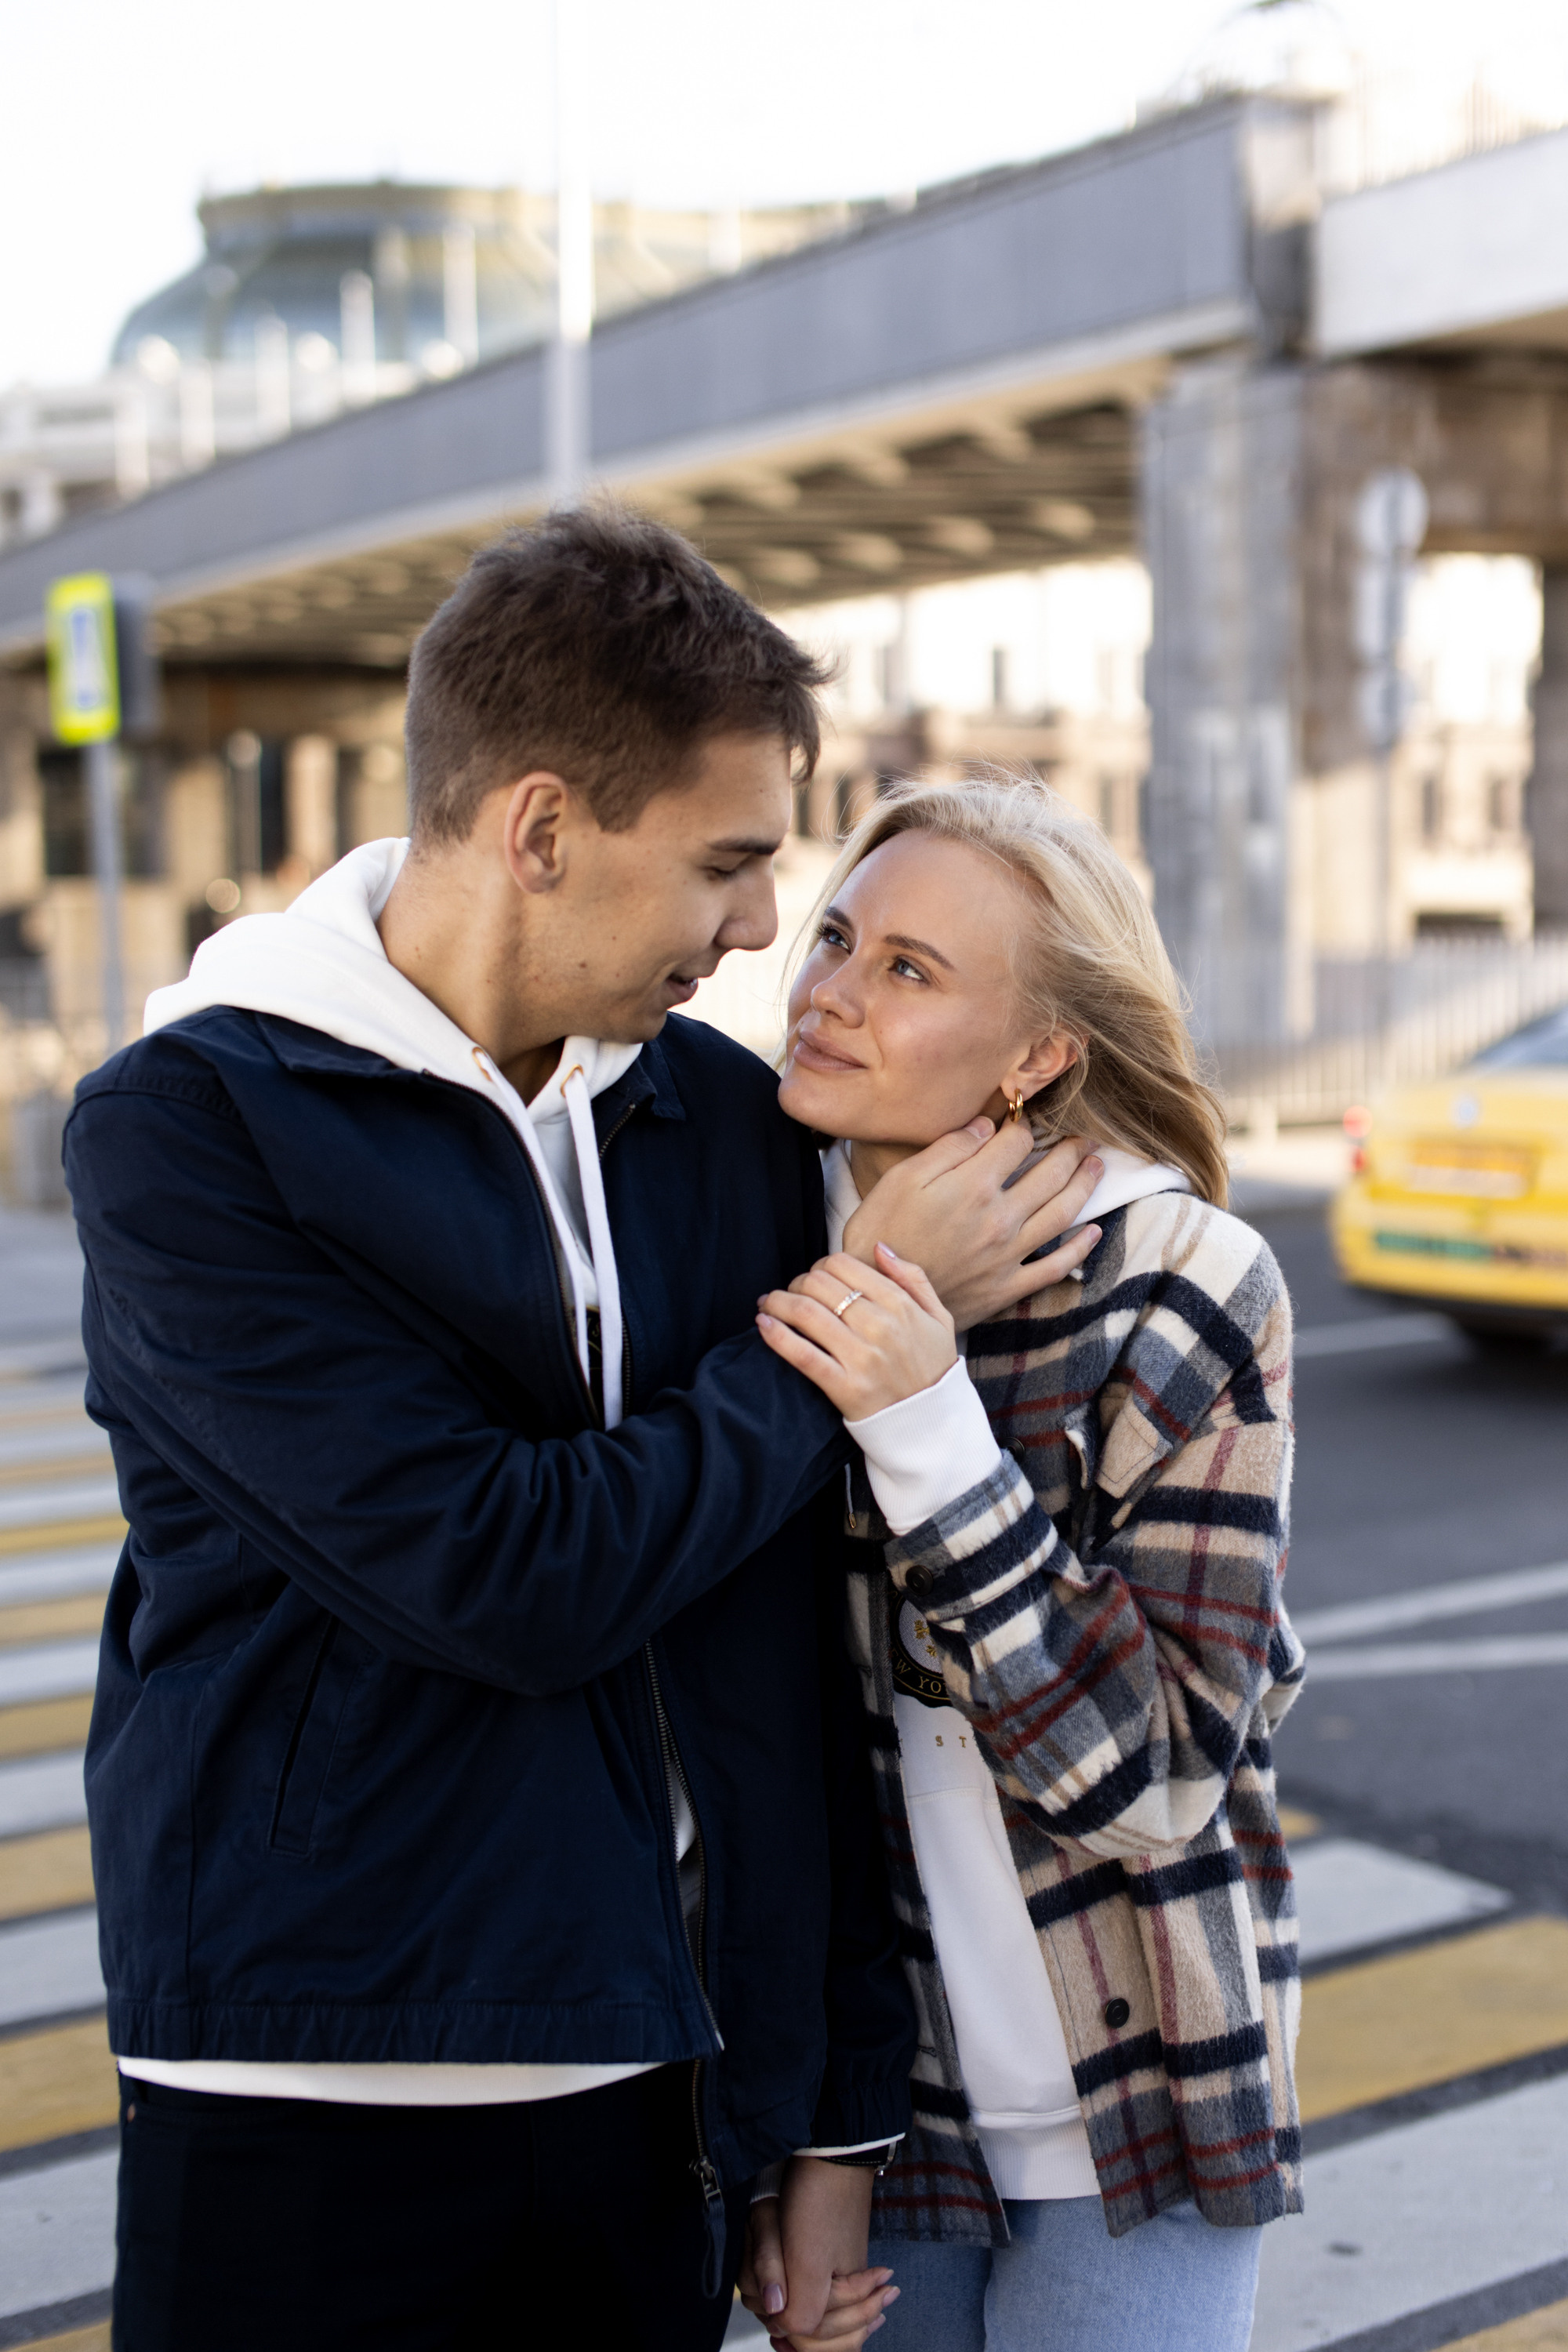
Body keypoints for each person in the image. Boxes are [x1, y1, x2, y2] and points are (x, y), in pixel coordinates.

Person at [65, 515, 1108, 2352]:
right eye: (725, 863)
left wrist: (831, 2114)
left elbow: (794, 1660)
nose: (763, 929)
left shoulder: (716, 1119)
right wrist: (844, 1324)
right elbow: (496, 1571)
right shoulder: (190, 1129)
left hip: (658, 2091)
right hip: (310, 2080)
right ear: (540, 831)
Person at [742, 775, 1305, 2352]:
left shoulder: (1178, 1282)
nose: (830, 991)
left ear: (1042, 1053)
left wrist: (920, 1415)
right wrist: (802, 2135)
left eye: (911, 970)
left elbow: (1158, 1774)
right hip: (876, 2111)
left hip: (1138, 2100)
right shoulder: (750, 1246)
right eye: (836, 936)